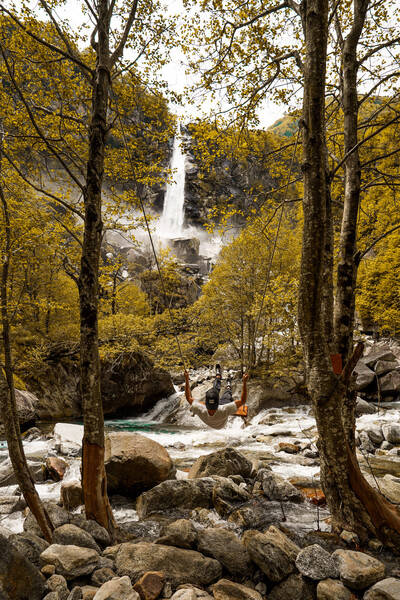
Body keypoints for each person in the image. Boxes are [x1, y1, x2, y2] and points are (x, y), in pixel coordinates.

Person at [184, 364, 248, 430]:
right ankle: (228, 386)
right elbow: (243, 401)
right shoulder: (224, 409)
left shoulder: (201, 409)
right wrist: (245, 382)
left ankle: (218, 377)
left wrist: (186, 379)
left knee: (214, 391)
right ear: (218, 403)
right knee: (227, 396)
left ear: (206, 403)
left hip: (211, 419)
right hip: (221, 424)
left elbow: (188, 397)